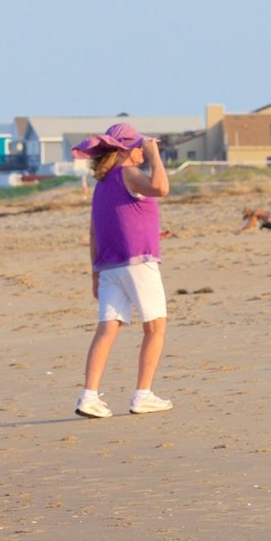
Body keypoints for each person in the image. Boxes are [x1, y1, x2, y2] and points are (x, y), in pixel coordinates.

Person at [73, 122, 173, 418]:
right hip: (138, 263)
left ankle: (88, 396)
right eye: (139, 145)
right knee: (155, 326)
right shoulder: (128, 174)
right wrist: (154, 154)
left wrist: (95, 273)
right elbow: (162, 188)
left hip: (108, 267)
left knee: (107, 329)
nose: (142, 148)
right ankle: (143, 394)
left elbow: (94, 232)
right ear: (127, 149)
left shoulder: (103, 183)